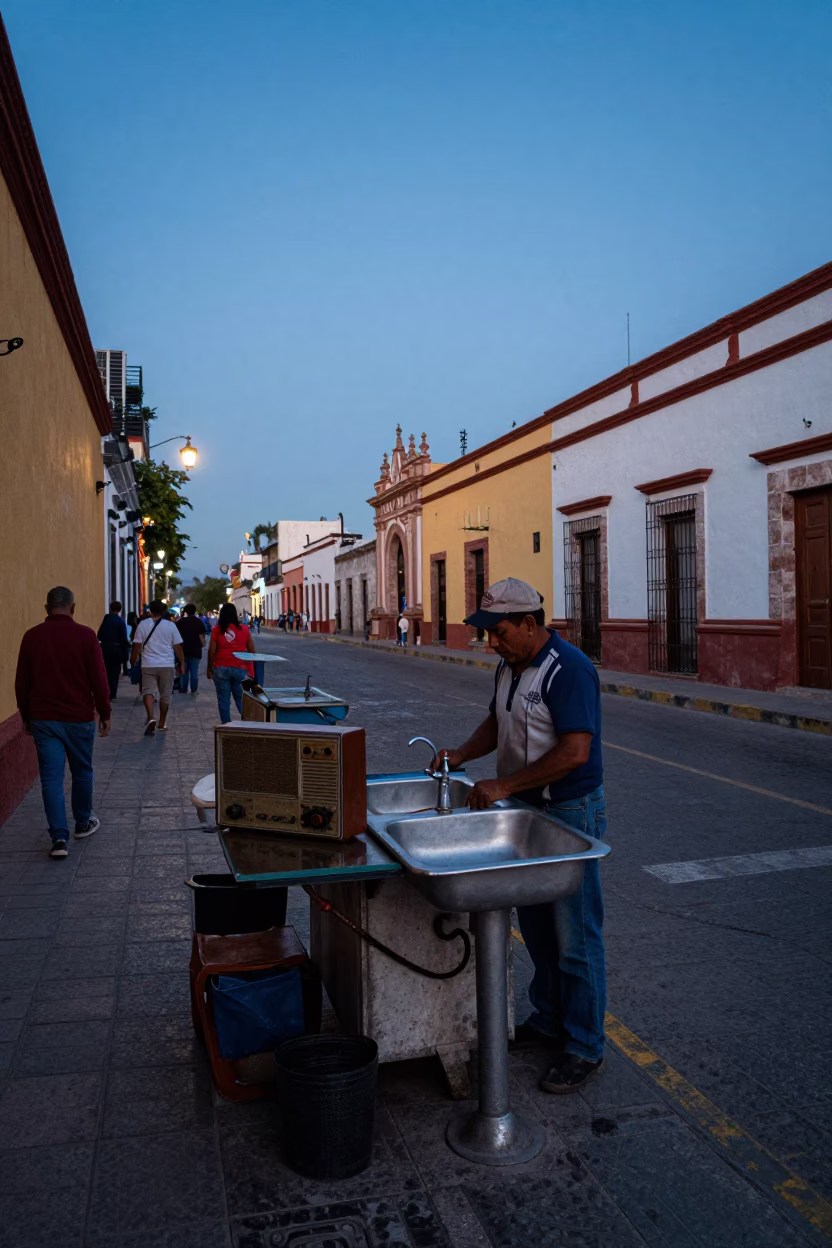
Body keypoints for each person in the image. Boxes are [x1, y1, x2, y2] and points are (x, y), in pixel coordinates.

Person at [432, 578, 606, 1095]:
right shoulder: (511, 666)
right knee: (536, 927)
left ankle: (585, 1045)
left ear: (530, 624)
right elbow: (498, 721)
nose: (493, 644)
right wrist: (462, 755)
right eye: (488, 635)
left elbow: (575, 751)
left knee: (576, 936)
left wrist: (504, 783)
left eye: (500, 633)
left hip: (568, 812)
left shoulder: (569, 669)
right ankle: (550, 1018)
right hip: (527, 810)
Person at [15, 586, 111, 858]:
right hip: (79, 717)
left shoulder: (31, 637)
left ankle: (59, 838)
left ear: (47, 609)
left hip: (44, 719)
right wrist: (105, 713)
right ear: (73, 607)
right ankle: (82, 822)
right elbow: (99, 678)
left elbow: (22, 682)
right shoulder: (85, 636)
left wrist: (25, 715)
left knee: (51, 779)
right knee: (82, 771)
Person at [130, 600, 184, 736]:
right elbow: (177, 646)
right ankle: (162, 723)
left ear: (150, 611)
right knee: (165, 694)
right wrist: (182, 663)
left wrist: (133, 659)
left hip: (148, 663)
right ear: (164, 611)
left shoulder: (142, 624)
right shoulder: (170, 626)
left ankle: (150, 716)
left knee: (147, 691)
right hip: (167, 664)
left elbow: (136, 644)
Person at [207, 603, 257, 723]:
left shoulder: (216, 630)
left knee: (223, 700)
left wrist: (209, 668)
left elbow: (211, 651)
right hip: (240, 667)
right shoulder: (244, 629)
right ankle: (248, 723)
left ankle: (226, 726)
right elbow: (252, 651)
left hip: (220, 668)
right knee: (240, 699)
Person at [97, 601, 129, 699]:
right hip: (116, 649)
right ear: (120, 609)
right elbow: (123, 638)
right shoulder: (120, 621)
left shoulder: (106, 618)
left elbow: (99, 635)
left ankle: (105, 691)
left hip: (105, 648)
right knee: (115, 672)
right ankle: (113, 693)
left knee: (105, 671)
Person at [176, 603, 206, 693]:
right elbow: (202, 637)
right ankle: (194, 689)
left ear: (185, 611)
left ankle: (183, 688)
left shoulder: (180, 622)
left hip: (183, 650)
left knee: (183, 671)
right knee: (194, 672)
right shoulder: (199, 622)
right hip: (195, 651)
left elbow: (176, 637)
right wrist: (202, 644)